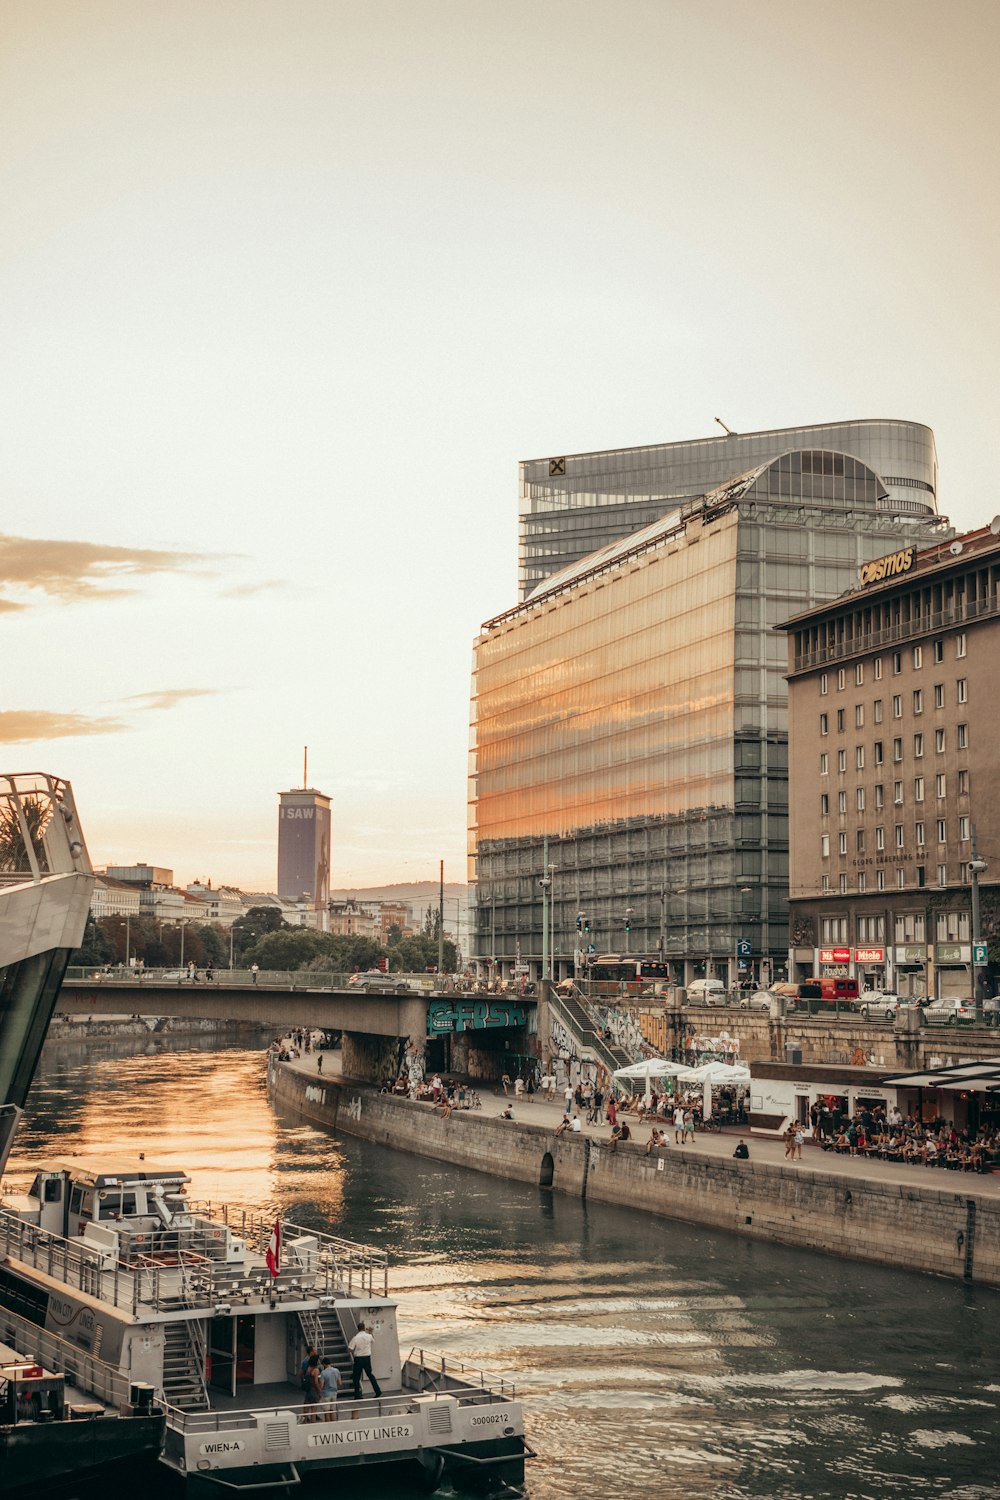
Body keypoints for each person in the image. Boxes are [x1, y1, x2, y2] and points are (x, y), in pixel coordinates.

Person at [348, 1322, 381, 1399]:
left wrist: (354, 1352)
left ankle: (357, 1395)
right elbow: (373, 1341)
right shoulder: (368, 1336)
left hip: (358, 1358)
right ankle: (378, 1391)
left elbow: (350, 1348)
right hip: (367, 1358)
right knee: (370, 1375)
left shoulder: (355, 1338)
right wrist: (371, 1332)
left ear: (358, 1328)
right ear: (364, 1328)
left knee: (356, 1377)